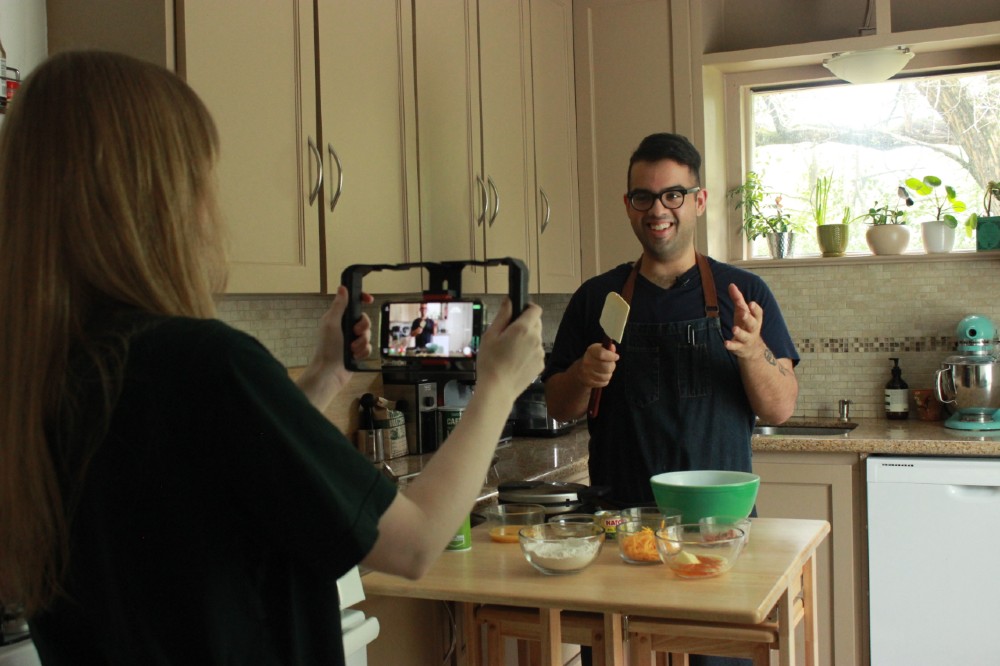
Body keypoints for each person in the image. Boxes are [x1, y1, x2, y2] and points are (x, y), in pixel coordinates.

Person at [0, 51, 544, 666]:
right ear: (161, 198)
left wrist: (320, 379)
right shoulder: (206, 363)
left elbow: (215, 476)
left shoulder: (37, 381)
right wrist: (499, 383)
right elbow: (415, 543)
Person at [544, 133, 799, 665]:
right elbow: (557, 405)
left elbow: (779, 408)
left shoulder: (744, 293)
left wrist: (753, 352)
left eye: (673, 195)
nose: (658, 209)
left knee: (717, 658)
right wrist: (584, 374)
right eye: (644, 197)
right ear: (628, 205)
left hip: (719, 534)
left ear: (698, 201)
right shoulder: (598, 297)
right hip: (621, 531)